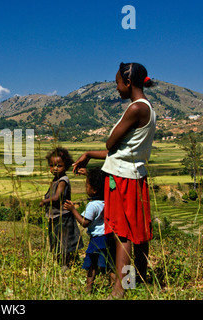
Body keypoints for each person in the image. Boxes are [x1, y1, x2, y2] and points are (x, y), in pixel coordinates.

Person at [72, 62, 156, 298]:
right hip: (135, 177)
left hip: (122, 179)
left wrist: (103, 145)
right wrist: (88, 154)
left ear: (128, 83)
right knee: (137, 232)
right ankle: (138, 280)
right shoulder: (147, 107)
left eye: (118, 82)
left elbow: (110, 144)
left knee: (123, 234)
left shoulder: (135, 109)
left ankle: (121, 288)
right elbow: (119, 151)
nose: (117, 88)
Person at [63, 167, 113, 292]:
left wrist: (73, 210)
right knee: (111, 264)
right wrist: (88, 174)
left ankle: (88, 289)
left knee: (92, 265)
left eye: (87, 186)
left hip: (96, 240)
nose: (86, 189)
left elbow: (84, 222)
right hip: (108, 237)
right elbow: (98, 182)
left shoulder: (92, 205)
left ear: (94, 190)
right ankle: (114, 287)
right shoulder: (107, 201)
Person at [40, 147, 83, 266]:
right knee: (57, 241)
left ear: (67, 166)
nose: (54, 169)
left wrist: (45, 201)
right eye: (52, 165)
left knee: (64, 243)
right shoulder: (56, 179)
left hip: (62, 217)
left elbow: (57, 197)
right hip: (55, 217)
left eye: (59, 166)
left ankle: (65, 265)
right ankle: (62, 263)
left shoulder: (62, 180)